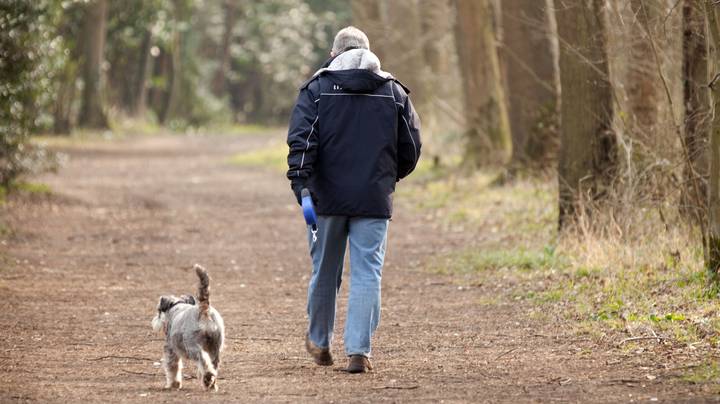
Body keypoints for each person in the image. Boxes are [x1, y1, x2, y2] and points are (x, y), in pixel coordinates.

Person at [286, 26, 421, 373]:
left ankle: (319, 341)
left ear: (334, 54)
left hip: (324, 201)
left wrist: (302, 187)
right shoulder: (393, 92)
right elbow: (411, 147)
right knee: (367, 274)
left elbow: (301, 143)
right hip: (373, 199)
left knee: (325, 271)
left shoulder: (316, 89)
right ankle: (359, 351)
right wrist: (388, 179)